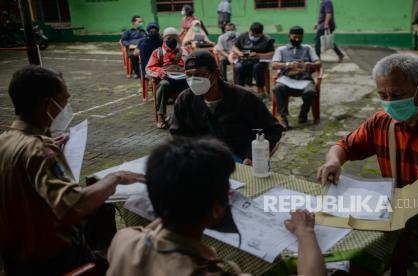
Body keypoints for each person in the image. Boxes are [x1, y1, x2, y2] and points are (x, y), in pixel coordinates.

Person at [0, 66, 145, 275]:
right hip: (54, 260)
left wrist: (47, 144)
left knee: (102, 212)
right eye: (64, 101)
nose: (66, 108)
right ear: (47, 104)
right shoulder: (40, 151)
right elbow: (75, 207)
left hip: (15, 258)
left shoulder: (6, 141)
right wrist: (115, 178)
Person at [107, 138, 325, 276]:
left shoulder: (124, 239)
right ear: (215, 209)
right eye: (225, 188)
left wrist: (172, 202)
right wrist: (305, 233)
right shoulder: (208, 271)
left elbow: (160, 224)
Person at [317, 53, 418, 190]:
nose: (390, 102)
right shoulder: (380, 123)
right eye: (383, 95)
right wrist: (333, 161)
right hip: (398, 210)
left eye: (397, 94)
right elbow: (343, 146)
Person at [170, 51, 283, 165]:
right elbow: (178, 132)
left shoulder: (243, 98)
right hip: (202, 156)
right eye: (189, 75)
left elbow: (272, 129)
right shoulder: (184, 99)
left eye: (200, 74)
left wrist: (251, 157)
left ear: (216, 73)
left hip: (240, 156)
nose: (193, 80)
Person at [271, 26, 321, 130]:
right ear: (289, 36)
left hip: (304, 79)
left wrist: (310, 64)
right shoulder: (281, 49)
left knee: (311, 92)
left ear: (303, 37)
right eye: (295, 37)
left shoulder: (308, 48)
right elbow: (274, 65)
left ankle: (303, 113)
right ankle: (282, 117)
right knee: (278, 88)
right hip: (287, 79)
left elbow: (318, 63)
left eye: (300, 37)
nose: (297, 39)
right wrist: (287, 65)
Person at [146, 27, 189, 129]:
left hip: (183, 80)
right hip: (167, 81)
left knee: (195, 84)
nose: (172, 40)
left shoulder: (185, 51)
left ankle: (191, 115)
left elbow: (192, 64)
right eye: (169, 37)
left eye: (174, 37)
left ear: (178, 38)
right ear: (164, 38)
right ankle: (161, 116)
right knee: (163, 85)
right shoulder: (158, 52)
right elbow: (149, 68)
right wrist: (160, 72)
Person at [232, 22, 274, 96]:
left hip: (259, 61)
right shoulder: (242, 36)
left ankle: (260, 90)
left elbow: (272, 54)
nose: (253, 37)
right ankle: (240, 89)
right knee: (239, 67)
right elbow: (234, 47)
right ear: (249, 31)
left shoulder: (267, 39)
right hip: (244, 59)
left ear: (261, 33)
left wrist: (258, 55)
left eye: (256, 36)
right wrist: (239, 53)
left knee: (258, 67)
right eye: (252, 35)